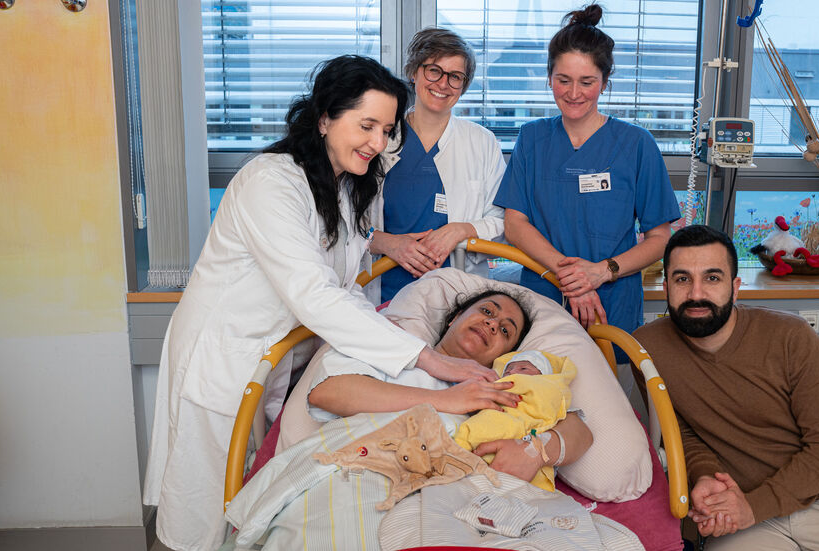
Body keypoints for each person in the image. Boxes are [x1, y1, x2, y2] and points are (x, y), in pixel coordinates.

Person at [143, 56, 500, 551]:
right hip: (223, 354)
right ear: (326, 117)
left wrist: (399, 344)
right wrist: (427, 358)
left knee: (246, 495)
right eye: (366, 125)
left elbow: (347, 285)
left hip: (274, 356)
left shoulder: (347, 189)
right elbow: (314, 293)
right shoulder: (271, 182)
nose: (377, 142)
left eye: (386, 129)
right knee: (199, 506)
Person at [632, 225, 819, 550]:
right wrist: (706, 479)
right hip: (737, 500)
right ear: (666, 285)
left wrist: (754, 508)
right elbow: (683, 434)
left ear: (736, 287)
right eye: (682, 278)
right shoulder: (645, 350)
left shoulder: (792, 337)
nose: (696, 293)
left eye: (712, 278)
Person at [494, 3, 680, 338]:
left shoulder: (637, 145)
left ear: (605, 82)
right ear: (549, 77)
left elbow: (658, 239)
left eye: (587, 81)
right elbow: (515, 224)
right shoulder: (532, 138)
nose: (574, 93)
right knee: (540, 382)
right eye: (563, 80)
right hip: (543, 296)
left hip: (612, 303)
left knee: (610, 385)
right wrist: (573, 278)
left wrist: (601, 273)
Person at [307, 290, 594, 486]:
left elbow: (578, 431)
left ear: (505, 356)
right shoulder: (392, 341)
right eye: (486, 311)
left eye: (506, 330)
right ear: (455, 317)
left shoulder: (498, 387)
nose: (492, 324)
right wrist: (445, 399)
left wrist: (537, 451)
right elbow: (329, 391)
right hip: (361, 473)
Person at [369, 28, 506, 303]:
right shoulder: (377, 138)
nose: (443, 84)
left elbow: (503, 222)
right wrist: (387, 243)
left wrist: (461, 229)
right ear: (414, 72)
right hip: (379, 293)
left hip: (457, 297)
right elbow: (343, 224)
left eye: (455, 77)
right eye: (434, 70)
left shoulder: (481, 142)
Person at [454, 349, 576, 491]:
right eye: (508, 371)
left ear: (543, 377)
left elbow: (580, 431)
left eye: (523, 368)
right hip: (477, 463)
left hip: (525, 459)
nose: (512, 373)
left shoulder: (549, 391)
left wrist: (534, 451)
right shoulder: (479, 389)